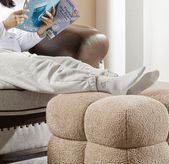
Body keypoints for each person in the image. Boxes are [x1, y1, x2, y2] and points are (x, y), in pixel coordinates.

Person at [0, 0, 159, 95]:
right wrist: (5, 25)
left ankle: (115, 79)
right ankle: (105, 85)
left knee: (67, 63)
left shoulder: (7, 5)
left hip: (14, 54)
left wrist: (41, 30)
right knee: (44, 68)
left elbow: (14, 41)